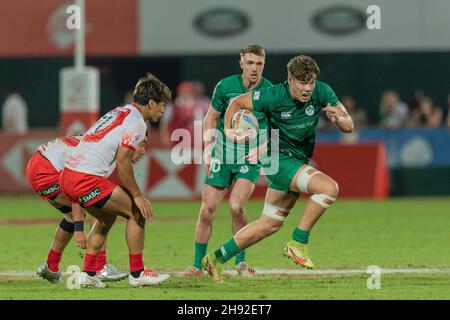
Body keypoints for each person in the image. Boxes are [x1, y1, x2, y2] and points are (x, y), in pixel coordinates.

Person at [201, 55, 354, 282]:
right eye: (302, 82)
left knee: (269, 224)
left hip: (297, 160)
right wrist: (231, 130)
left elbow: (349, 126)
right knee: (329, 188)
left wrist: (338, 120)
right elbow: (237, 104)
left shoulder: (323, 92)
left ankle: (214, 260)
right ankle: (298, 243)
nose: (308, 88)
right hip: (277, 160)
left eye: (311, 82)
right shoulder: (272, 95)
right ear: (290, 79)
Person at [59, 73, 172, 288]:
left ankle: (89, 274)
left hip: (68, 175)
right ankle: (138, 274)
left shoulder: (120, 111)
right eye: (161, 104)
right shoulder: (137, 122)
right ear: (150, 103)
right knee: (137, 211)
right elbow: (123, 162)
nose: (163, 109)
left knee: (106, 218)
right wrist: (137, 196)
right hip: (85, 178)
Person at [177, 44, 273, 278]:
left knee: (236, 207)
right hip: (222, 153)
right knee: (207, 211)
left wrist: (262, 148)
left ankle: (240, 262)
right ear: (241, 63)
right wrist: (208, 149)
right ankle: (197, 266)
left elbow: (277, 126)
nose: (254, 69)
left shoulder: (270, 90)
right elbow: (212, 117)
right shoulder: (226, 86)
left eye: (259, 64)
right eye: (250, 63)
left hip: (248, 158)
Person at [26, 135, 128, 284]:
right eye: (140, 146)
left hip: (38, 165)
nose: (143, 151)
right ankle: (100, 267)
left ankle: (51, 266)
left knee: (72, 216)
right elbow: (77, 190)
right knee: (98, 205)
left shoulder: (100, 144)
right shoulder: (101, 154)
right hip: (45, 171)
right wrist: (79, 231)